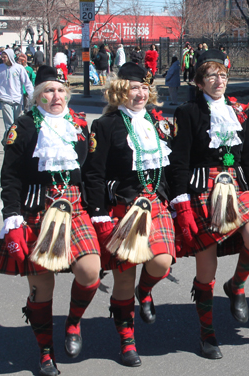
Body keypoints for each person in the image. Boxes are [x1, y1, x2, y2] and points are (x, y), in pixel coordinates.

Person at [0, 65, 101, 376]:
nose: (55, 96)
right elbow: (11, 177)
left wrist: (100, 210)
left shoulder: (79, 126)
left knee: (90, 269)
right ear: (37, 96)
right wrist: (12, 218)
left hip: (75, 207)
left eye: (59, 90)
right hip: (36, 209)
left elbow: (92, 171)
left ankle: (72, 322)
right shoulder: (25, 127)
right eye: (48, 91)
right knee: (42, 286)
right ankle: (45, 352)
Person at [170, 49, 249, 359]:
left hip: (236, 185)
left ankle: (237, 285)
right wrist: (181, 203)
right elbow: (180, 162)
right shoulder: (188, 112)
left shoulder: (241, 111)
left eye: (223, 75)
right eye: (211, 76)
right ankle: (207, 331)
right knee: (206, 266)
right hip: (202, 189)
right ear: (200, 82)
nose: (219, 81)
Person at [83, 62, 174, 367]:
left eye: (144, 88)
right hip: (124, 207)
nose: (140, 93)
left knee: (161, 262)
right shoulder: (105, 126)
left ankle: (145, 290)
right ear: (120, 92)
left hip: (156, 204)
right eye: (134, 88)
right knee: (123, 279)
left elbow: (169, 167)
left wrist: (174, 199)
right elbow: (93, 174)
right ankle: (127, 340)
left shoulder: (157, 121)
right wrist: (98, 214)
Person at [0, 49, 34, 134]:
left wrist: (32, 96)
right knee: (9, 125)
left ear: (10, 57)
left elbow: (27, 83)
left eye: (4, 57)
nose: (2, 58)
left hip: (17, 100)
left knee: (17, 124)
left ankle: (15, 143)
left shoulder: (19, 68)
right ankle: (9, 144)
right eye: (2, 57)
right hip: (5, 99)